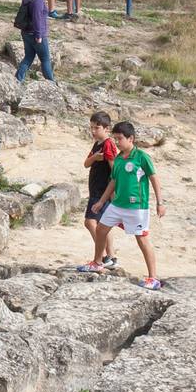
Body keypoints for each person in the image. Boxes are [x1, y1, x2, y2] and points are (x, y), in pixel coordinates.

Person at [89, 121, 166, 291]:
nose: (117, 142)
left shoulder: (141, 157)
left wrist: (160, 203)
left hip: (137, 207)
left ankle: (153, 278)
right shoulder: (117, 159)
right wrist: (101, 201)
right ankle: (97, 262)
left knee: (142, 239)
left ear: (131, 138)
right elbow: (113, 181)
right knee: (101, 229)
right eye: (115, 139)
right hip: (117, 205)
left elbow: (154, 178)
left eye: (120, 139)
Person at [76, 111, 119, 273]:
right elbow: (86, 163)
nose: (93, 131)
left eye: (97, 128)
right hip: (97, 190)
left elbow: (114, 168)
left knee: (90, 222)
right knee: (103, 224)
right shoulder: (98, 144)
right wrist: (95, 157)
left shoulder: (108, 144)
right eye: (91, 127)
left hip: (102, 191)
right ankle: (111, 258)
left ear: (107, 128)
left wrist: (113, 191)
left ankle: (102, 257)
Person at [14, 0, 54, 83]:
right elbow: (37, 18)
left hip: (26, 32)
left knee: (28, 57)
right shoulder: (38, 0)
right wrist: (39, 35)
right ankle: (51, 83)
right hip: (36, 34)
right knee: (45, 59)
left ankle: (18, 80)